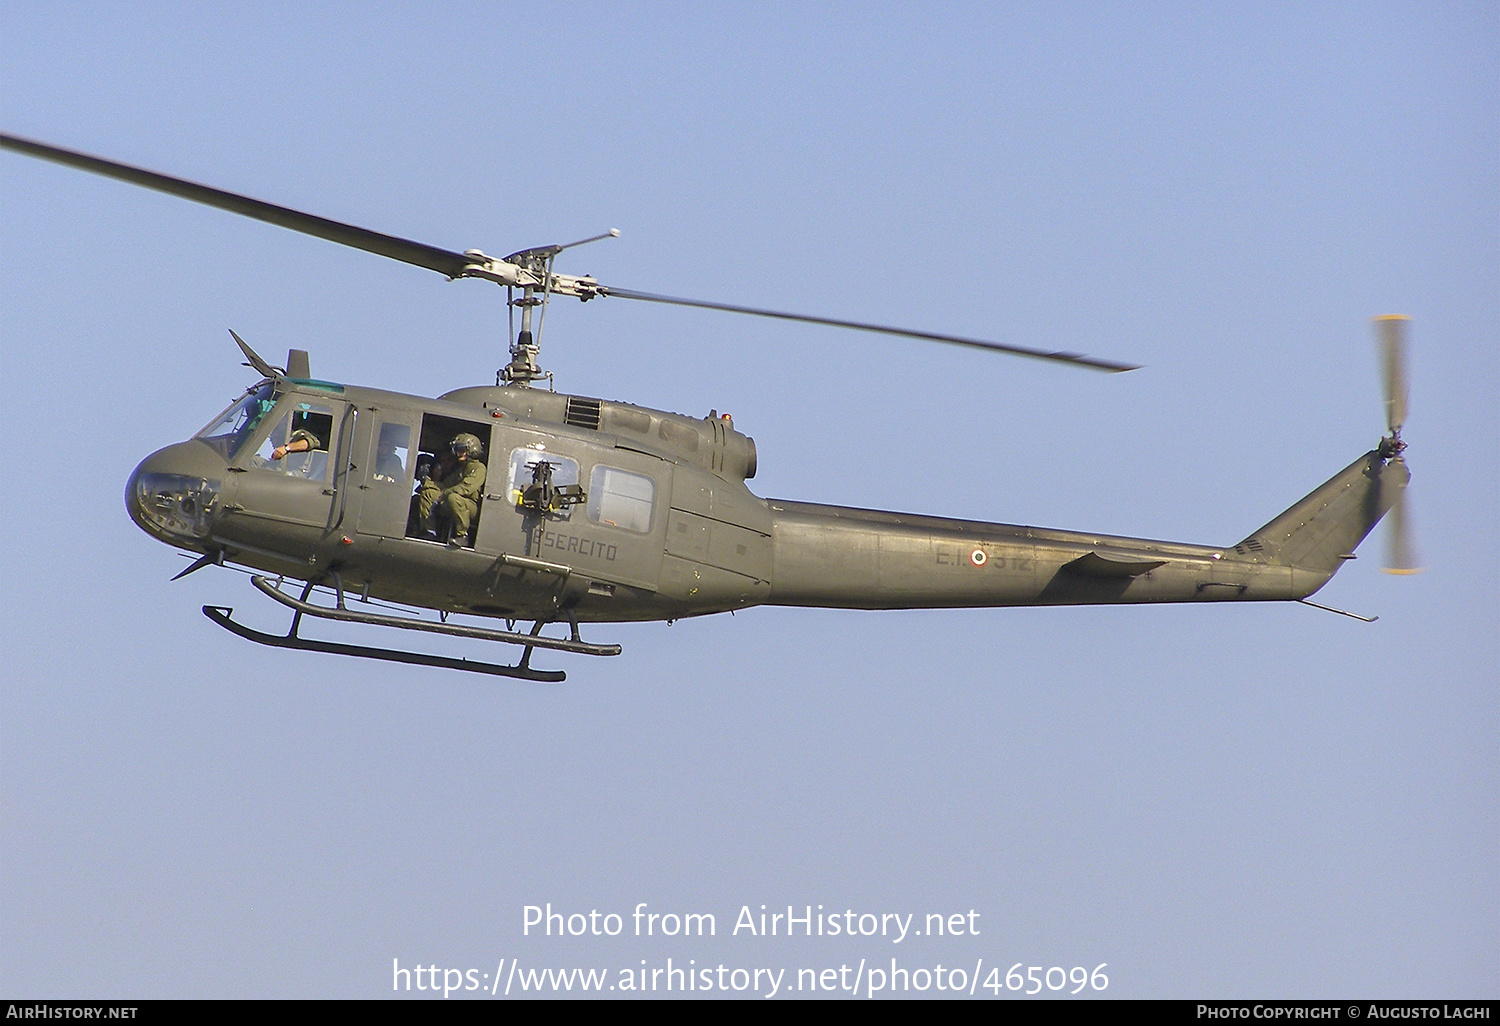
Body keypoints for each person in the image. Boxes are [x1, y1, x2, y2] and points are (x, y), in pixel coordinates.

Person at [416, 433, 486, 546]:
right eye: (457, 450)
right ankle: (430, 531)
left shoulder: (479, 468)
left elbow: (466, 488)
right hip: (454, 502)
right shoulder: (462, 469)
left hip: (470, 506)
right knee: (428, 493)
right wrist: (427, 483)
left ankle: (462, 535)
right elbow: (446, 485)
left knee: (454, 497)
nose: (458, 453)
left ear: (471, 450)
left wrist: (444, 494)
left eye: (461, 450)